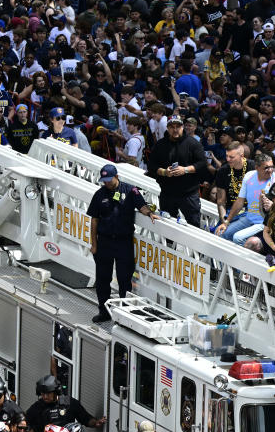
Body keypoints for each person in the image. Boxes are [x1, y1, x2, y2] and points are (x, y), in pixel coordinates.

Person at [87, 164, 158, 323]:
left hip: (123, 242)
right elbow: (94, 220)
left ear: (116, 176)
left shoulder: (130, 191)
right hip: (104, 242)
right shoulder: (99, 194)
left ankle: (123, 315)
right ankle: (104, 311)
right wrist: (94, 244)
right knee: (102, 279)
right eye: (104, 180)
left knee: (124, 280)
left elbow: (142, 206)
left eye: (109, 180)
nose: (106, 183)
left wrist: (150, 214)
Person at [148, 114, 206, 226]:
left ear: (182, 127)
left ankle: (191, 244)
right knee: (166, 225)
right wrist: (164, 172)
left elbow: (202, 164)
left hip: (189, 194)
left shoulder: (193, 143)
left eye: (178, 127)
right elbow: (151, 165)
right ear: (167, 128)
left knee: (193, 225)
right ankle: (168, 244)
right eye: (172, 127)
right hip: (167, 193)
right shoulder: (160, 144)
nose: (175, 130)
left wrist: (185, 170)